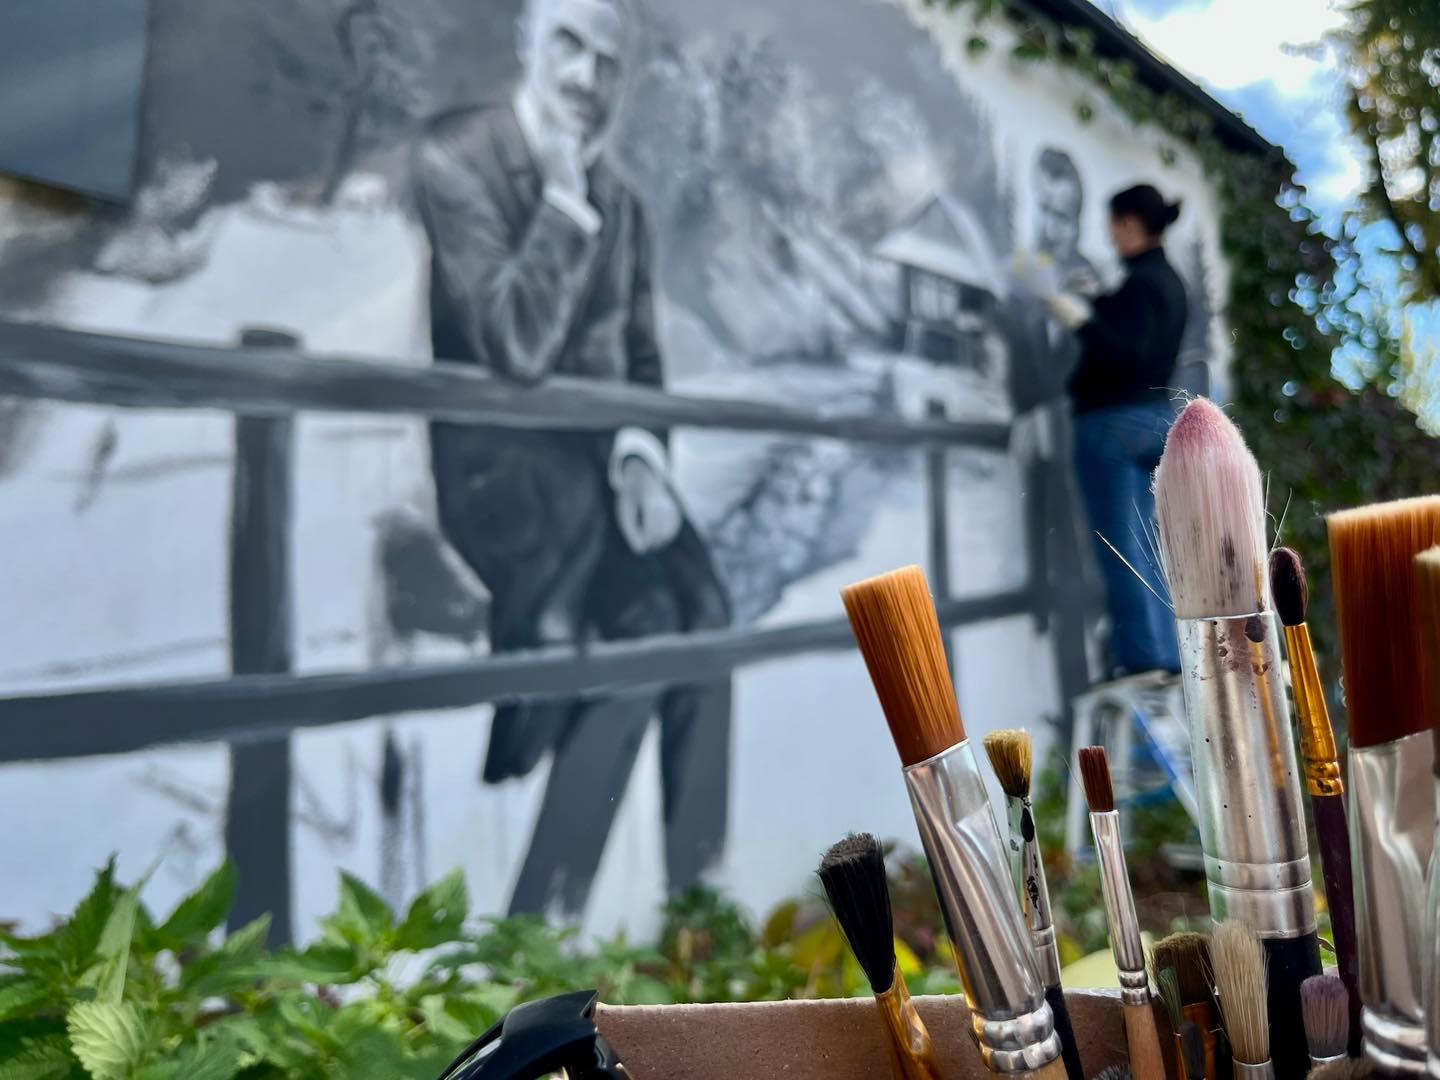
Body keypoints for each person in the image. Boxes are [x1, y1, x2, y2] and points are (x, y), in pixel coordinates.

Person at [414, 0, 733, 917]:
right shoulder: (456, 156)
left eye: (607, 62)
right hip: (502, 472)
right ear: (527, 41)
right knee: (641, 627)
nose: (586, 79)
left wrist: (641, 460)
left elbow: (641, 362)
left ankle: (697, 910)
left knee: (710, 615)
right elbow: (514, 344)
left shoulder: (623, 200)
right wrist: (561, 204)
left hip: (598, 469)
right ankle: (542, 923)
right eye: (568, 45)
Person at [1037, 183, 1187, 678]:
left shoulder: (1142, 283)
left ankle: (1143, 662)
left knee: (1123, 550)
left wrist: (1080, 320)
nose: (1109, 238)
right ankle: (1164, 658)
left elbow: (1125, 356)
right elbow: (1138, 342)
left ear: (1129, 224)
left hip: (1113, 426)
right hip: (1153, 422)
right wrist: (1101, 303)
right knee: (1145, 547)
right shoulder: (1167, 282)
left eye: (1113, 227)